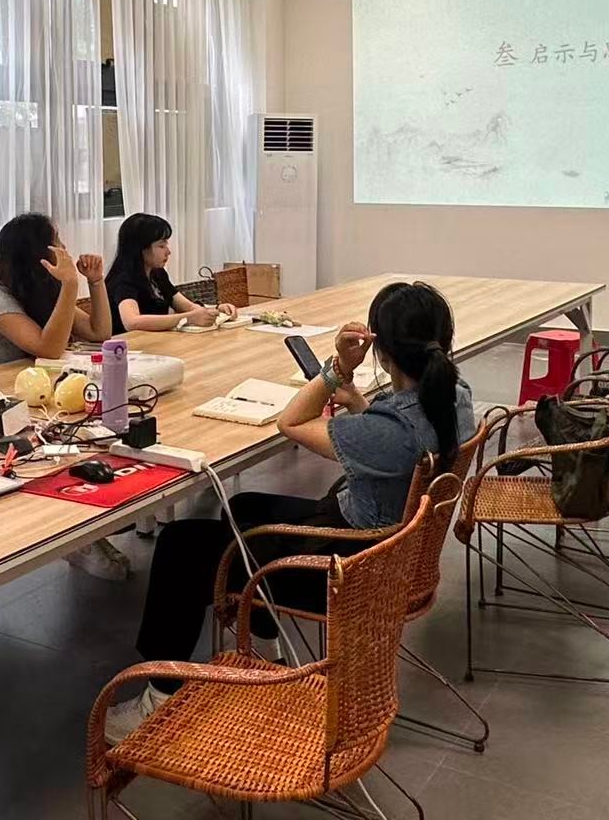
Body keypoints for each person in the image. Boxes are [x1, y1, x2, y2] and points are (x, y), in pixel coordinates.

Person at [103, 280, 474, 744]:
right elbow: (402, 445)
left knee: (181, 546)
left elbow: (291, 422)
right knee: (242, 506)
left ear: (382, 352)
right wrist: (361, 405)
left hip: (348, 570)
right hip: (390, 551)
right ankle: (264, 642)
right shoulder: (454, 396)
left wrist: (337, 369)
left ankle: (159, 697)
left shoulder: (388, 431)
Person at [0, 212, 126, 580]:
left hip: (32, 403)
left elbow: (100, 331)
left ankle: (80, 529)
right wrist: (69, 285)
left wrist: (95, 282)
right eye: (58, 242)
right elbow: (48, 348)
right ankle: (75, 536)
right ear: (40, 254)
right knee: (55, 455)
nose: (65, 249)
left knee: (87, 440)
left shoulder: (43, 293)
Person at [105, 212, 238, 334]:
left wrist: (216, 310)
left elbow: (188, 307)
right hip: (128, 347)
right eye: (161, 246)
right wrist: (188, 318)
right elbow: (132, 322)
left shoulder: (157, 274)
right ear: (140, 249)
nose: (168, 252)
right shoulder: (123, 280)